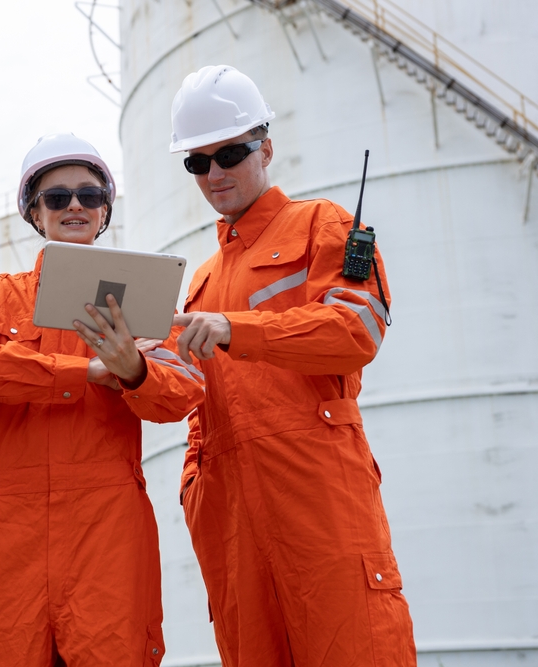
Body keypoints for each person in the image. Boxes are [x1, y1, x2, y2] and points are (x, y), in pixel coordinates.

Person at [168, 66, 416, 666]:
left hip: (318, 497)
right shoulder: (198, 280)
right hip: (229, 518)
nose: (215, 173)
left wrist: (237, 329)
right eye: (197, 162)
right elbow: (185, 394)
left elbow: (357, 328)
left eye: (229, 152)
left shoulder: (322, 227)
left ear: (266, 148)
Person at [0, 133, 205, 667]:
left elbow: (184, 391)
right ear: (34, 213)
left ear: (105, 210)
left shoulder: (144, 294)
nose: (74, 207)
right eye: (56, 197)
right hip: (10, 535)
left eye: (89, 196)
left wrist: (134, 371)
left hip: (106, 533)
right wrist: (85, 370)